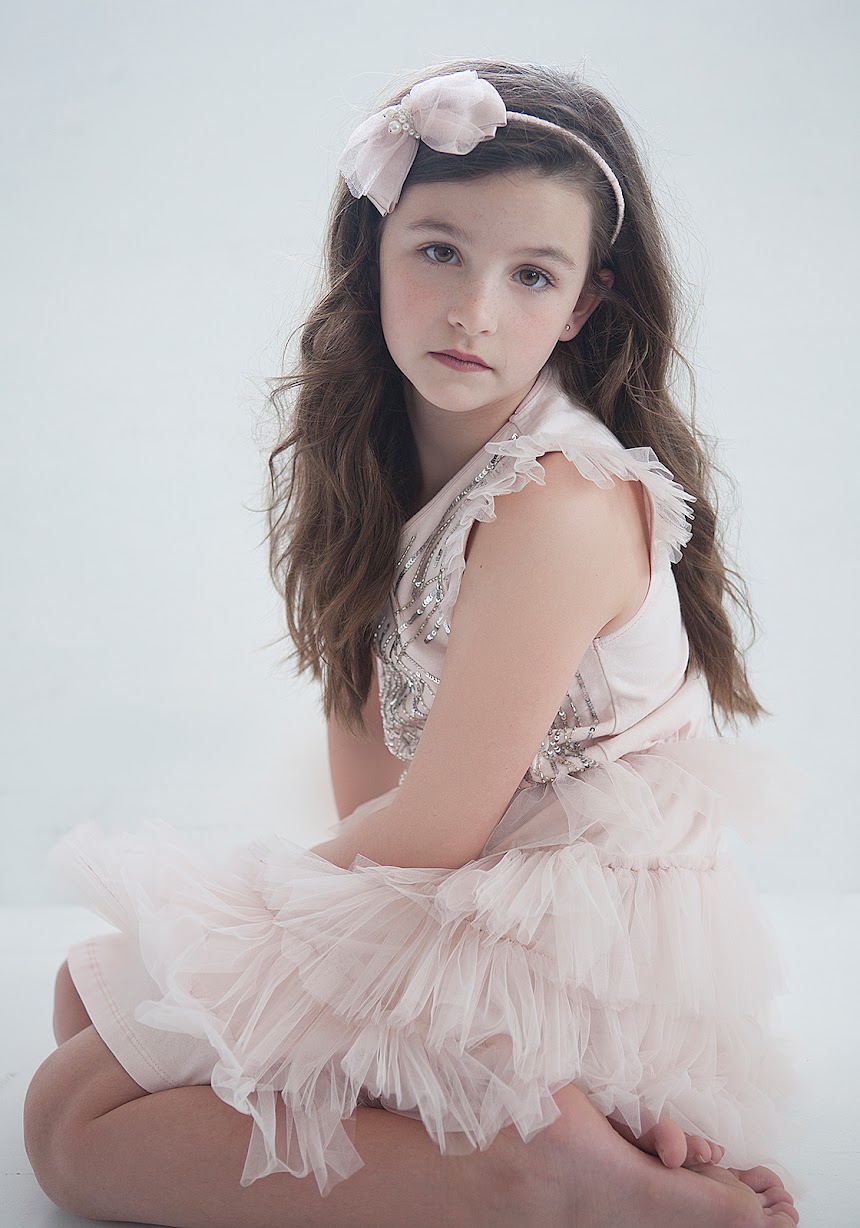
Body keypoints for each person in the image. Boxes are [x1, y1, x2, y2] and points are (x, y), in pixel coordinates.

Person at [24, 58, 807, 1227]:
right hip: (467, 890)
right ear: (371, 252)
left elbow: (431, 828)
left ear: (582, 305)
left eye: (529, 273)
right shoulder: (381, 462)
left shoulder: (555, 502)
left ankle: (549, 1176)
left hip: (569, 947)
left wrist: (237, 921)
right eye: (438, 250)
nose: (472, 310)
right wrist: (267, 953)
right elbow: (376, 788)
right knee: (83, 1000)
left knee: (69, 1123)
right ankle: (535, 1130)